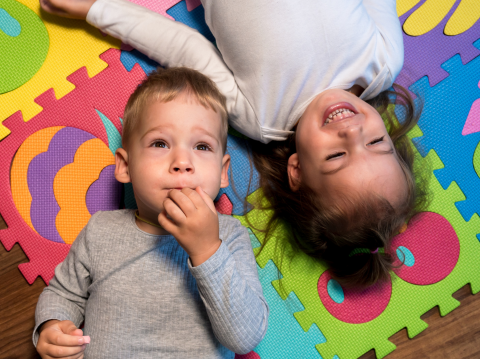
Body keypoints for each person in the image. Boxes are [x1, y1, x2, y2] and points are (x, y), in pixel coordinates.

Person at [39, 0, 427, 287]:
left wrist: (95, 9)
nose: (352, 130)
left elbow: (184, 49)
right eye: (378, 141)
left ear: (296, 170)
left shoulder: (259, 116)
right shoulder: (383, 60)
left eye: (337, 155)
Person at [33, 67, 269, 359]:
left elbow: (245, 337)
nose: (182, 161)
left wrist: (208, 250)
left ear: (222, 173)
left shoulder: (230, 237)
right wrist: (52, 327)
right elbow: (63, 294)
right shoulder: (101, 231)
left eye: (202, 146)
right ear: (124, 166)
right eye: (160, 143)